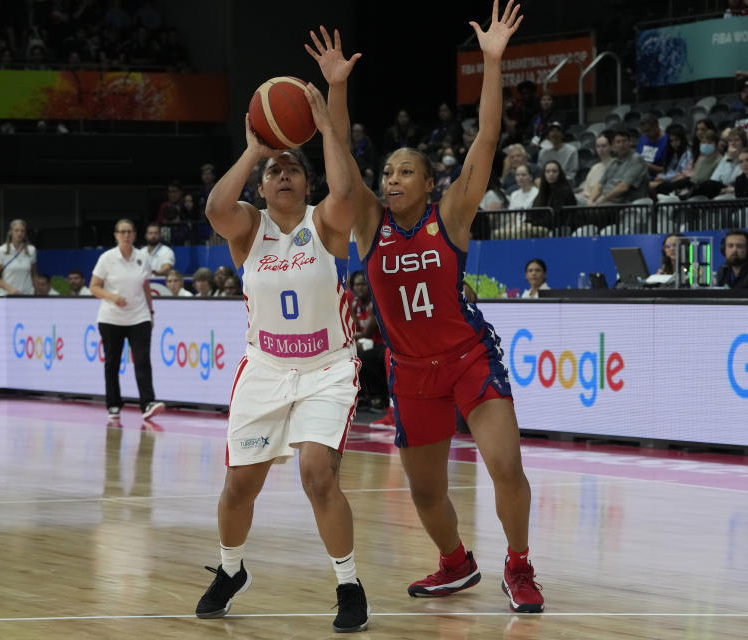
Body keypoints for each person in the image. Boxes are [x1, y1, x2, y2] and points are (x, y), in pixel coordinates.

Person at [323, 1, 544, 613]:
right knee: (425, 492)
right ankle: (455, 562)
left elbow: (489, 137)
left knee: (506, 466)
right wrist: (337, 87)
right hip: (410, 369)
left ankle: (520, 567)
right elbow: (339, 148)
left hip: (468, 357)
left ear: (427, 182)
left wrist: (492, 62)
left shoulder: (450, 215)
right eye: (387, 171)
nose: (391, 179)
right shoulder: (368, 222)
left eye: (404, 172)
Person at [194, 29, 369, 633]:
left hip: (328, 367)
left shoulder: (326, 222)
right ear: (263, 187)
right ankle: (230, 566)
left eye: (293, 168)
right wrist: (253, 149)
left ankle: (348, 585)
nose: (285, 175)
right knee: (239, 487)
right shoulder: (249, 227)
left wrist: (326, 122)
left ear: (307, 180)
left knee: (317, 473)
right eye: (275, 171)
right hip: (265, 368)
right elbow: (216, 209)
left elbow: (346, 187)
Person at [88, 219, 165, 422]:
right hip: (111, 318)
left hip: (138, 316)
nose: (126, 235)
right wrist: (113, 297)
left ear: (134, 234)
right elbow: (94, 286)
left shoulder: (142, 258)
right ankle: (113, 404)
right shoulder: (107, 258)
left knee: (142, 360)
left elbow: (146, 286)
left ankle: (148, 402)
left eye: (129, 231)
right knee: (112, 362)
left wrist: (151, 312)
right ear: (115, 235)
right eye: (122, 231)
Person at [349, 270, 387, 410]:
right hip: (367, 344)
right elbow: (354, 329)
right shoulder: (355, 304)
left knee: (361, 356)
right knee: (350, 353)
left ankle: (378, 396)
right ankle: (364, 395)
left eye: (363, 284)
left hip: (382, 346)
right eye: (357, 285)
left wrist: (347, 337)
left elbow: (366, 333)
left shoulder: (374, 304)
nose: (360, 288)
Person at [589, 129, 649, 204]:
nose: (621, 145)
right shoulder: (613, 162)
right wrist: (590, 201)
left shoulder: (636, 159)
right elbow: (600, 185)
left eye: (624, 141)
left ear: (630, 142)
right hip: (606, 199)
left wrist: (601, 201)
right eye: (618, 142)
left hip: (622, 202)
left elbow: (623, 187)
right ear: (613, 145)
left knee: (592, 211)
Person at [0, 219, 37, 295]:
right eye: (16, 230)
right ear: (11, 232)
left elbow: (34, 274)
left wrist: (37, 291)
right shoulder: (1, 250)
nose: (19, 233)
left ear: (25, 233)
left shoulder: (31, 250)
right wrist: (10, 289)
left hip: (27, 294)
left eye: (22, 231)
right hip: (7, 294)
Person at [576, 134, 612, 204]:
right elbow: (586, 189)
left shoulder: (616, 165)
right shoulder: (594, 168)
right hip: (589, 200)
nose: (601, 149)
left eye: (604, 146)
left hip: (604, 201)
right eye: (598, 146)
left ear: (611, 147)